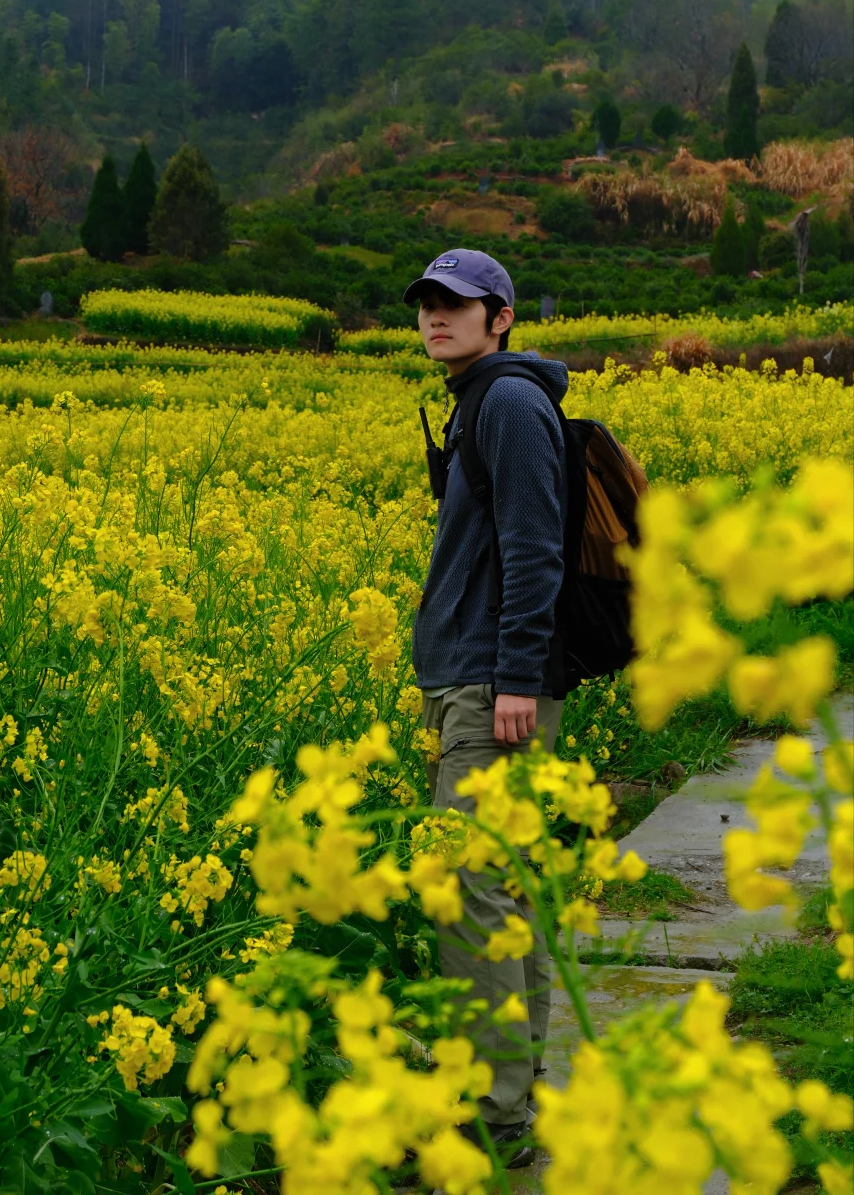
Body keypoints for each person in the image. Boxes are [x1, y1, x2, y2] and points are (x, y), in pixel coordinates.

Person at [404, 247, 569, 1171]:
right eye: (427, 304)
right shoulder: (481, 400)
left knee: (466, 890)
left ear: (500, 316)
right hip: (477, 681)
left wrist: (512, 678)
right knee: (505, 895)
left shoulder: (505, 403)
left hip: (494, 691)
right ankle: (513, 1101)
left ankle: (494, 1112)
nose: (437, 317)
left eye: (457, 304)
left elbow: (535, 547)